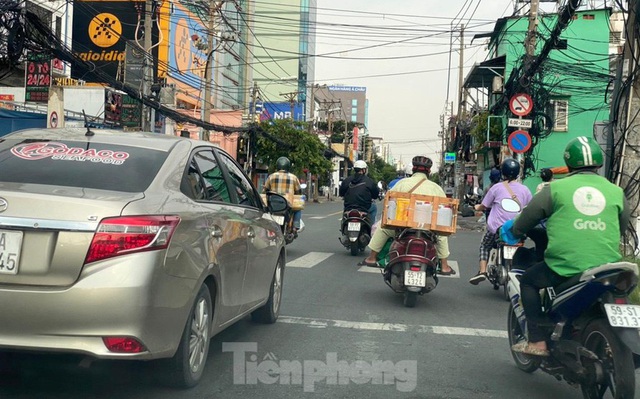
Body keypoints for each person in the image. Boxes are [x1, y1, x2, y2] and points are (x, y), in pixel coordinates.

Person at [503, 136, 629, 357]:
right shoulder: (616, 191)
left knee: (529, 281)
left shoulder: (554, 189)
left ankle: (538, 341)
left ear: (568, 165)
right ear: (599, 164)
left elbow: (525, 221)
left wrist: (515, 231)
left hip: (565, 266)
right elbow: (620, 226)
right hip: (609, 266)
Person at [358, 156, 456, 275]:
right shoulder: (437, 188)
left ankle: (372, 258)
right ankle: (445, 266)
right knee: (441, 237)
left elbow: (388, 203)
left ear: (413, 170)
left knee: (383, 229)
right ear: (429, 172)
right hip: (428, 230)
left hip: (403, 228)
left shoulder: (402, 184)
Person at [469, 158, 533, 285]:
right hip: (517, 229)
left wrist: (477, 207)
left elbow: (484, 205)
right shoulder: (525, 190)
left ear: (502, 172)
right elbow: (530, 207)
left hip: (497, 230)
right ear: (518, 173)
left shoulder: (496, 188)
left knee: (485, 246)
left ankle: (482, 271)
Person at [262, 156, 303, 229]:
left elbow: (265, 190)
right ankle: (296, 225)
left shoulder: (271, 176)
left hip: (273, 204)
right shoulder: (293, 177)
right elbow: (298, 192)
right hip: (288, 205)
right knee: (298, 208)